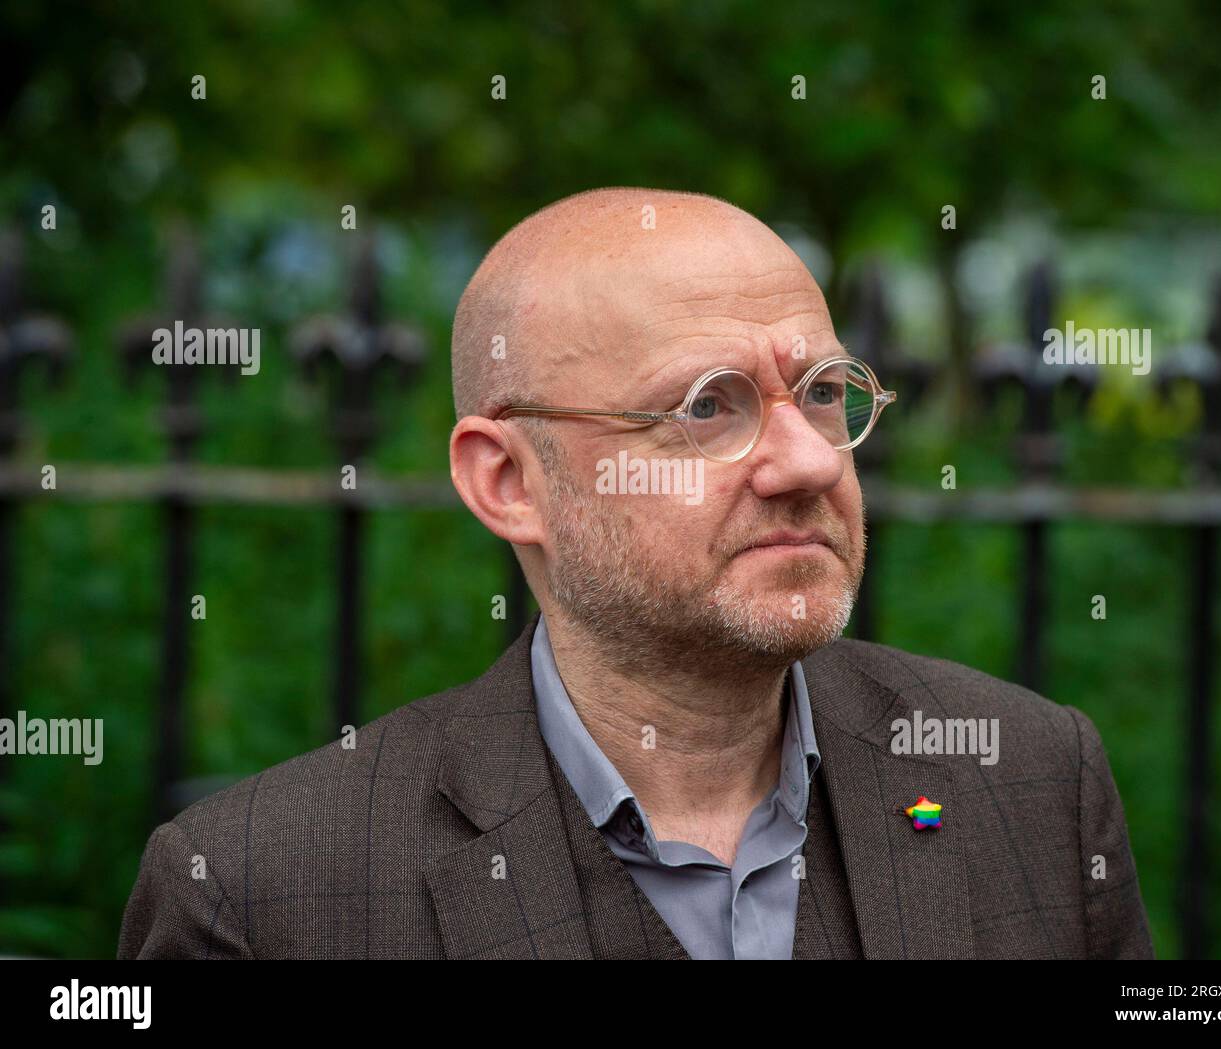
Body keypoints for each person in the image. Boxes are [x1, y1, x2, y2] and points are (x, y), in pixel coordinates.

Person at [118, 187, 1154, 959]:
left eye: (826, 391)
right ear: (509, 481)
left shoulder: (1026, 778)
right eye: (706, 405)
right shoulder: (260, 893)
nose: (804, 460)